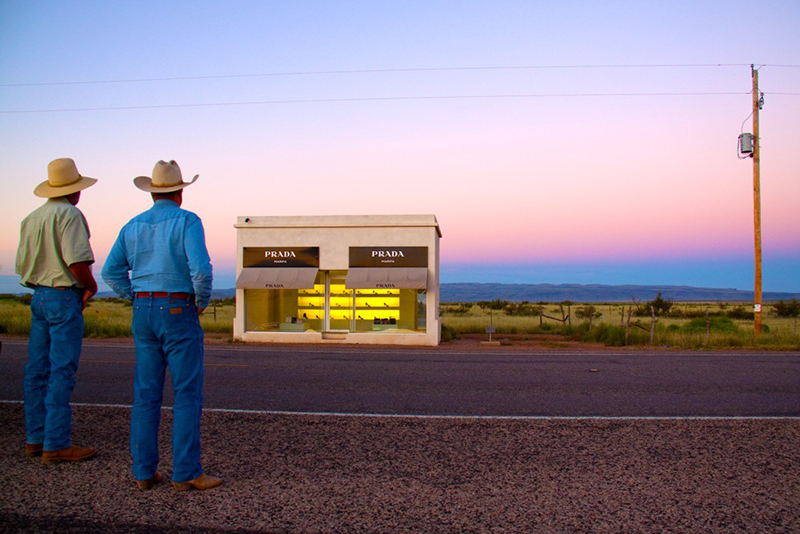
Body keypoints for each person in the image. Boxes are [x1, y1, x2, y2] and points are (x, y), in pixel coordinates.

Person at [102, 160, 221, 491]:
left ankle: (143, 471)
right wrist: (200, 301)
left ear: (152, 193)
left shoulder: (133, 225)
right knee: (186, 393)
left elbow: (110, 271)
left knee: (145, 393)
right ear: (180, 192)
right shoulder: (187, 221)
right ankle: (185, 472)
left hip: (143, 308)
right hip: (177, 308)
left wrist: (135, 297)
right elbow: (201, 269)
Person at [15, 157, 99, 464]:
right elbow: (77, 262)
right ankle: (56, 444)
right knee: (62, 371)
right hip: (64, 296)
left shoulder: (32, 218)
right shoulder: (70, 215)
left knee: (36, 370)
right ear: (74, 190)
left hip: (38, 295)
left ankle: (34, 438)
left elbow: (22, 264)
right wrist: (90, 286)